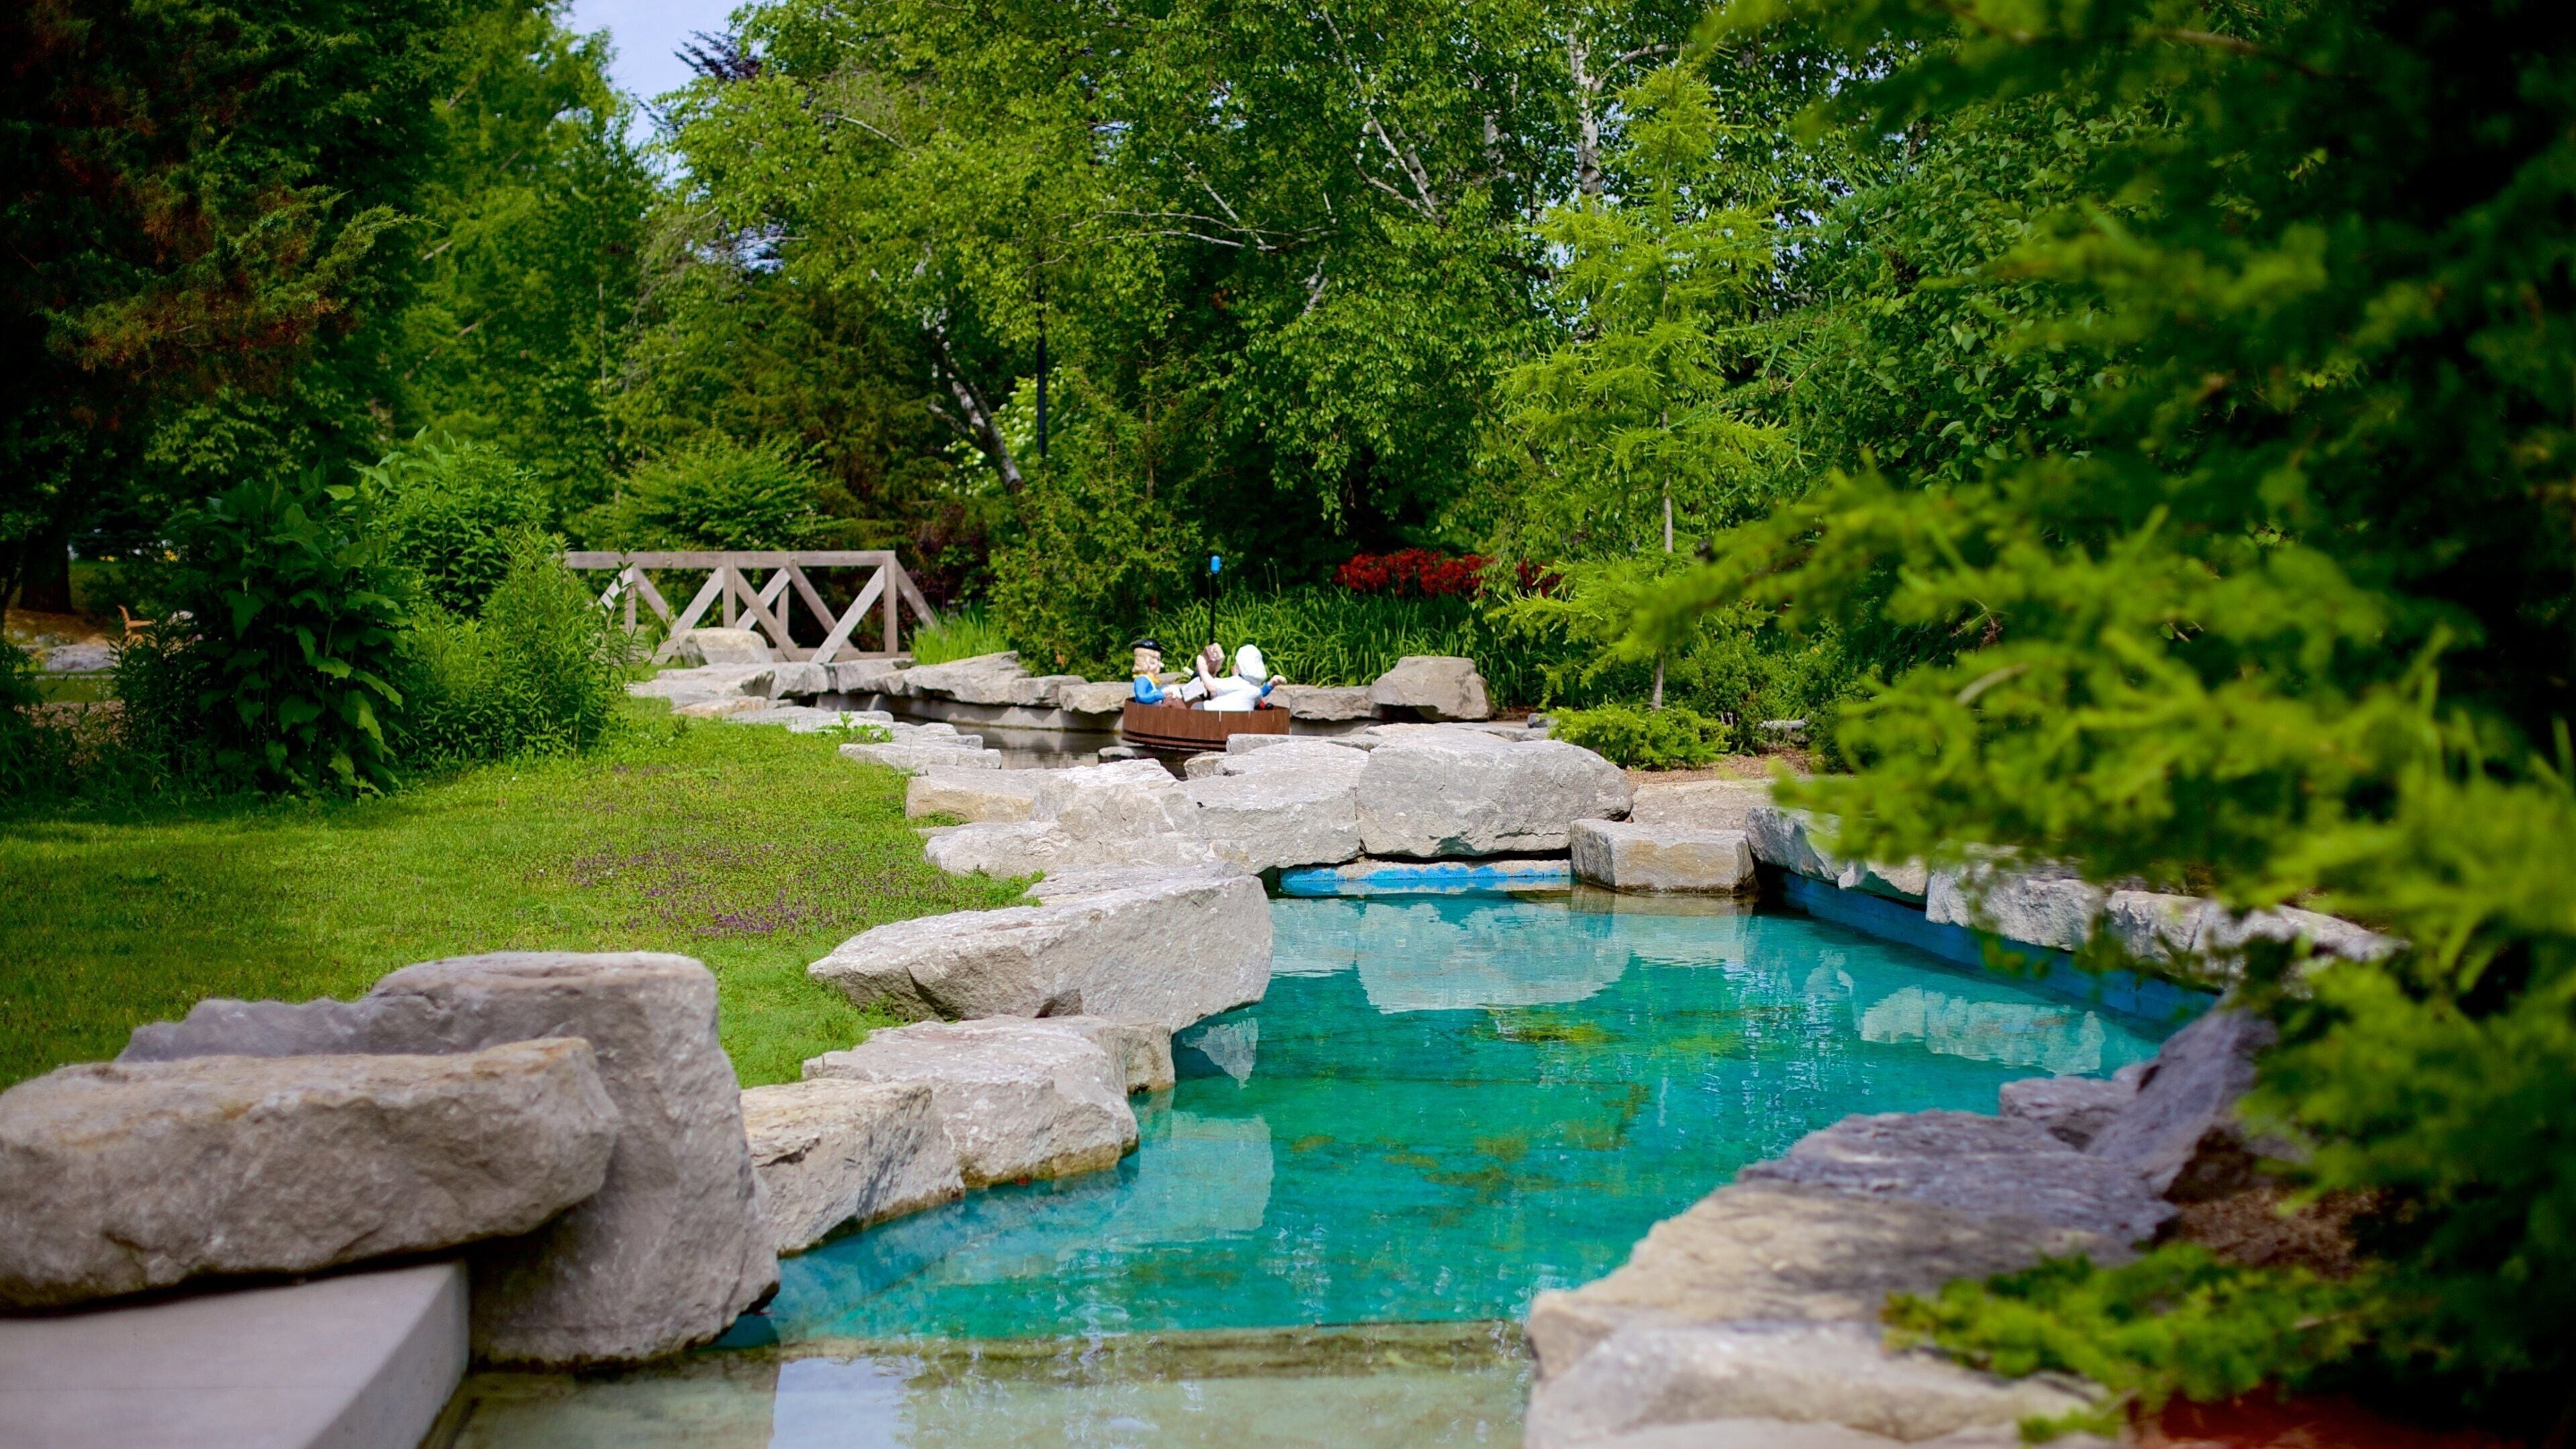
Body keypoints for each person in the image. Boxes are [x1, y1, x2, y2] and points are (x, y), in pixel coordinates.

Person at [1204, 643, 1285, 712]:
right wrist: (1271, 684)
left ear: (1239, 667)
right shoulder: (1254, 691)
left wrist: (1202, 667)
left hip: (1216, 719)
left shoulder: (1234, 683)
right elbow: (1261, 693)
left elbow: (1212, 686)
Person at [1130, 638, 1169, 703]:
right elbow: (1141, 697)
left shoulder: (1150, 680)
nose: (1161, 664)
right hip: (1145, 712)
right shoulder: (1142, 680)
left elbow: (1154, 690)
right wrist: (1161, 694)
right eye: (1157, 659)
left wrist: (1166, 689)